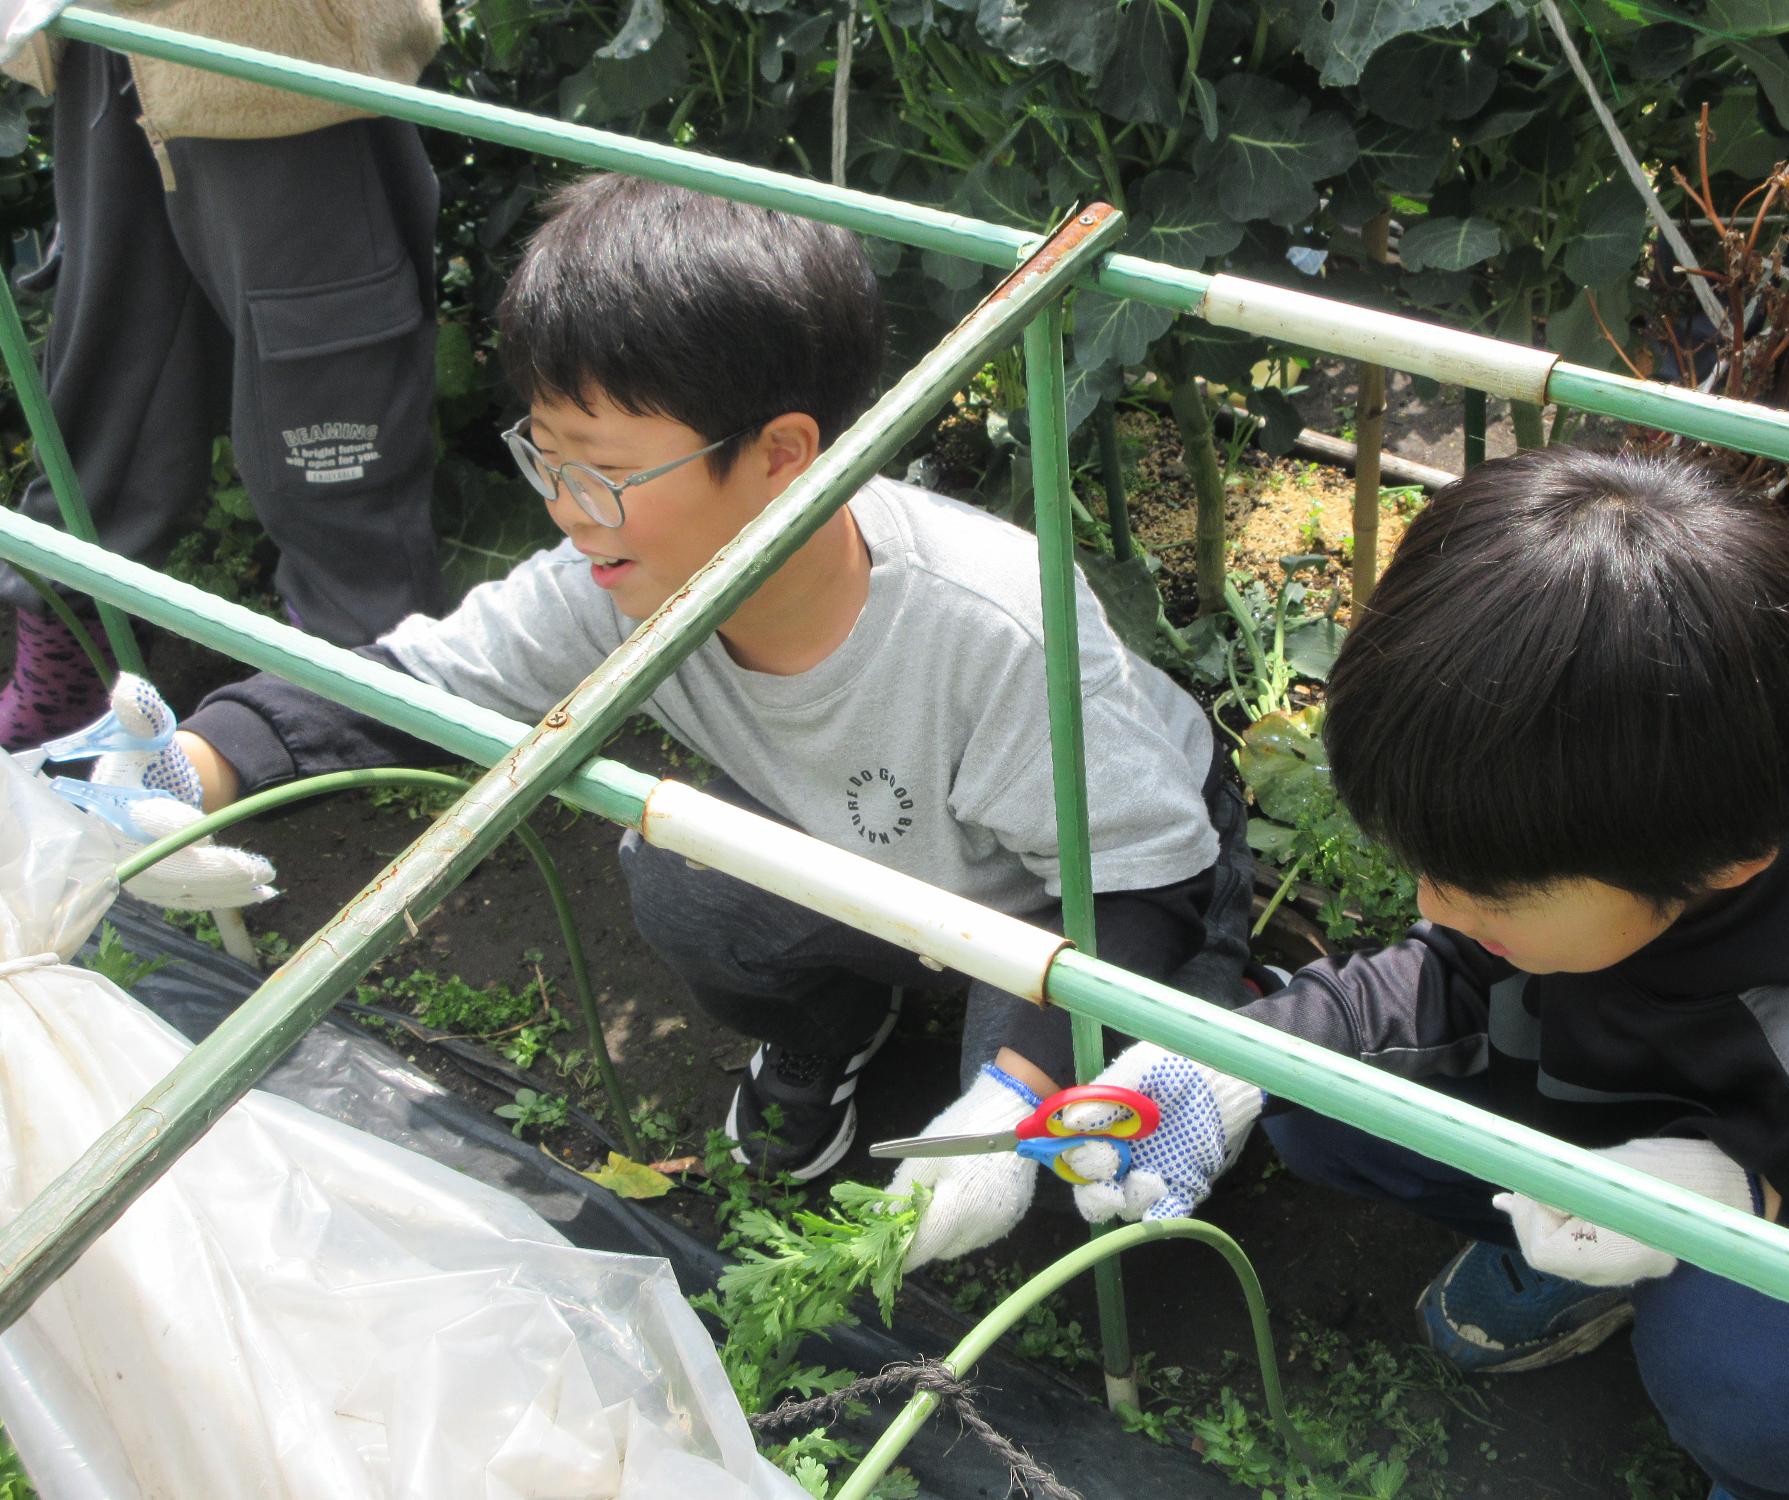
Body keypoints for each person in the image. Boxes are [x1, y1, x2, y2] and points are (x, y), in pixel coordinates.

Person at [83, 176, 1255, 1256]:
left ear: (780, 457)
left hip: (1089, 880)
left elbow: (1132, 887)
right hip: (888, 860)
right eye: (544, 463)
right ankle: (837, 1021)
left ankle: (1197, 1018)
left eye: (597, 472)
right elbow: (417, 685)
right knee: (684, 875)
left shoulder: (987, 629)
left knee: (1071, 1170)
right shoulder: (622, 572)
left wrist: (1012, 1090)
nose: (566, 514)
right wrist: (194, 766)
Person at [942, 447, 1789, 1500]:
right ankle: (1583, 1259)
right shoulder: (1663, 788)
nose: (1429, 909)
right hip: (1644, 1069)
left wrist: (1745, 1202)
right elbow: (1445, 971)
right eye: (1430, 869)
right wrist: (1228, 1067)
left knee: (1744, 1363)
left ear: (1722, 867)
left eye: (1487, 893)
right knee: (1319, 1099)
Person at [0, 2, 448, 750]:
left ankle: (365, 684)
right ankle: (70, 663)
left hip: (277, 49)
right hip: (105, 36)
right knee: (111, 359)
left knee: (323, 380)